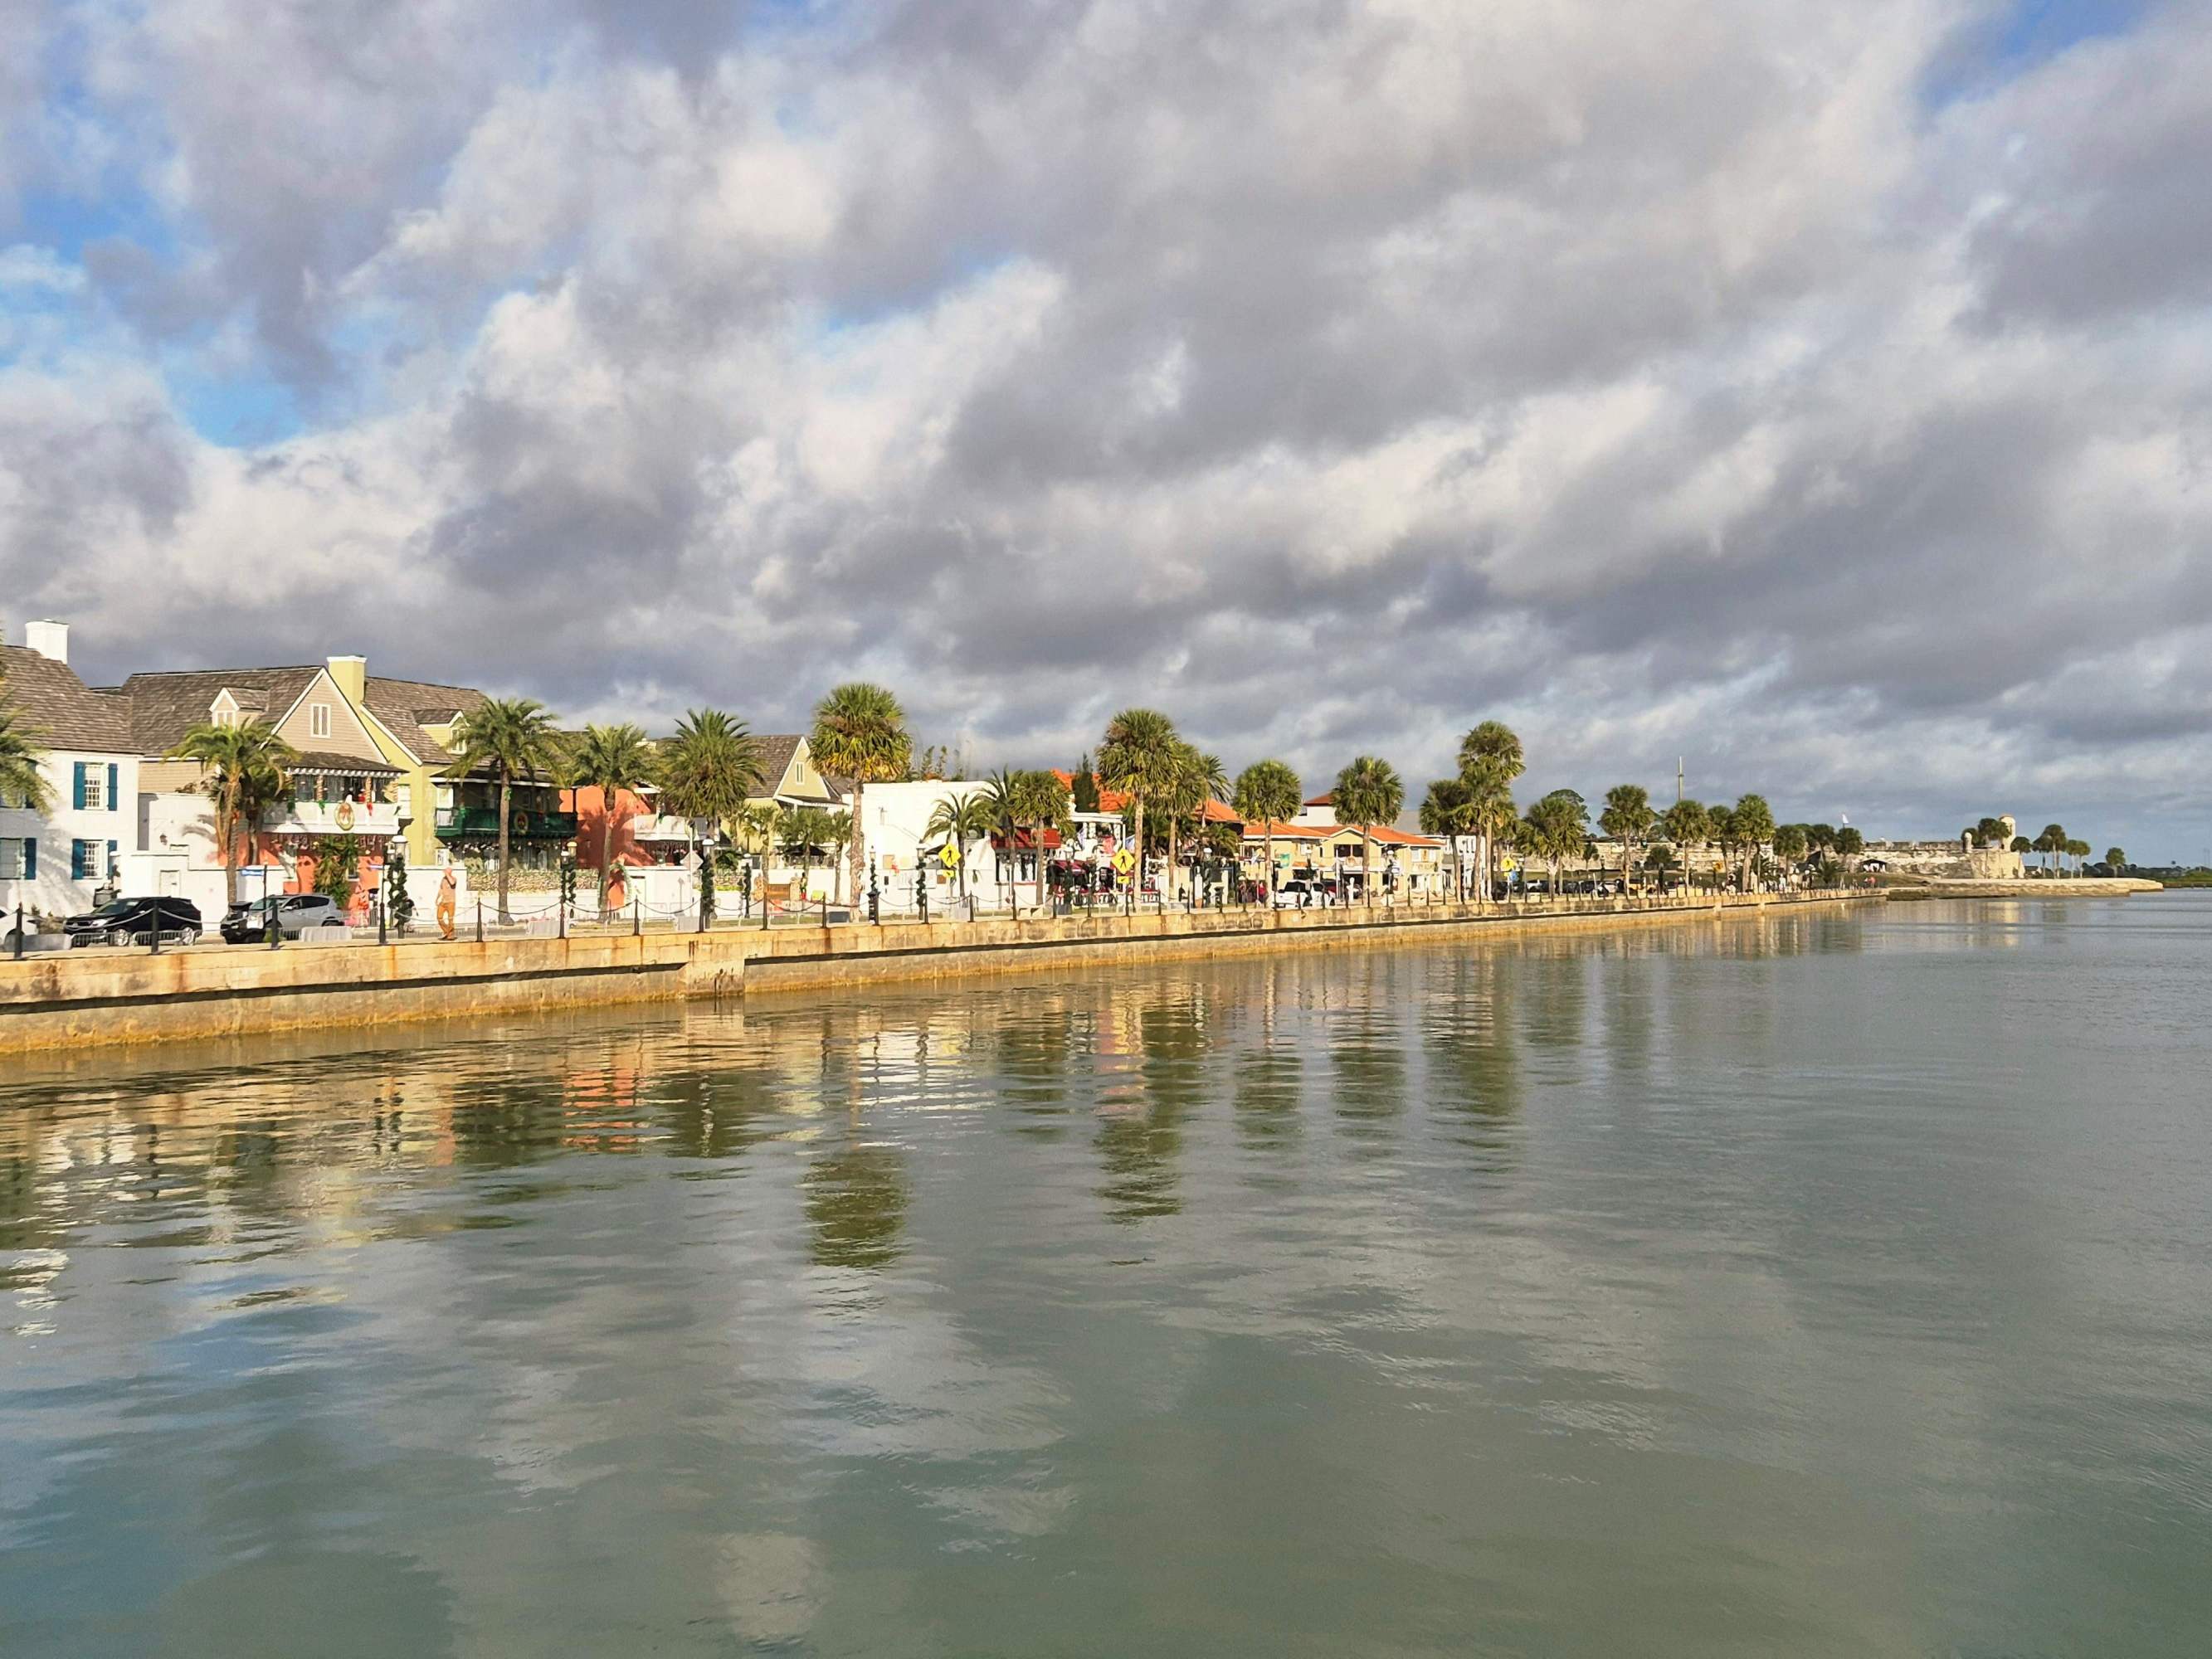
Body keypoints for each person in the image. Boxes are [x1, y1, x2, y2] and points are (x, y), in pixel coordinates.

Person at [436, 866, 458, 941]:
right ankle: (446, 932)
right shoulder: (443, 879)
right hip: (443, 901)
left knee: (450, 919)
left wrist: (448, 874)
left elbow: (452, 883)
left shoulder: (454, 879)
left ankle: (450, 935)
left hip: (451, 901)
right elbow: (441, 889)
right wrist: (437, 898)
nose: (445, 872)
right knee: (439, 918)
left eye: (447, 870)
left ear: (450, 872)